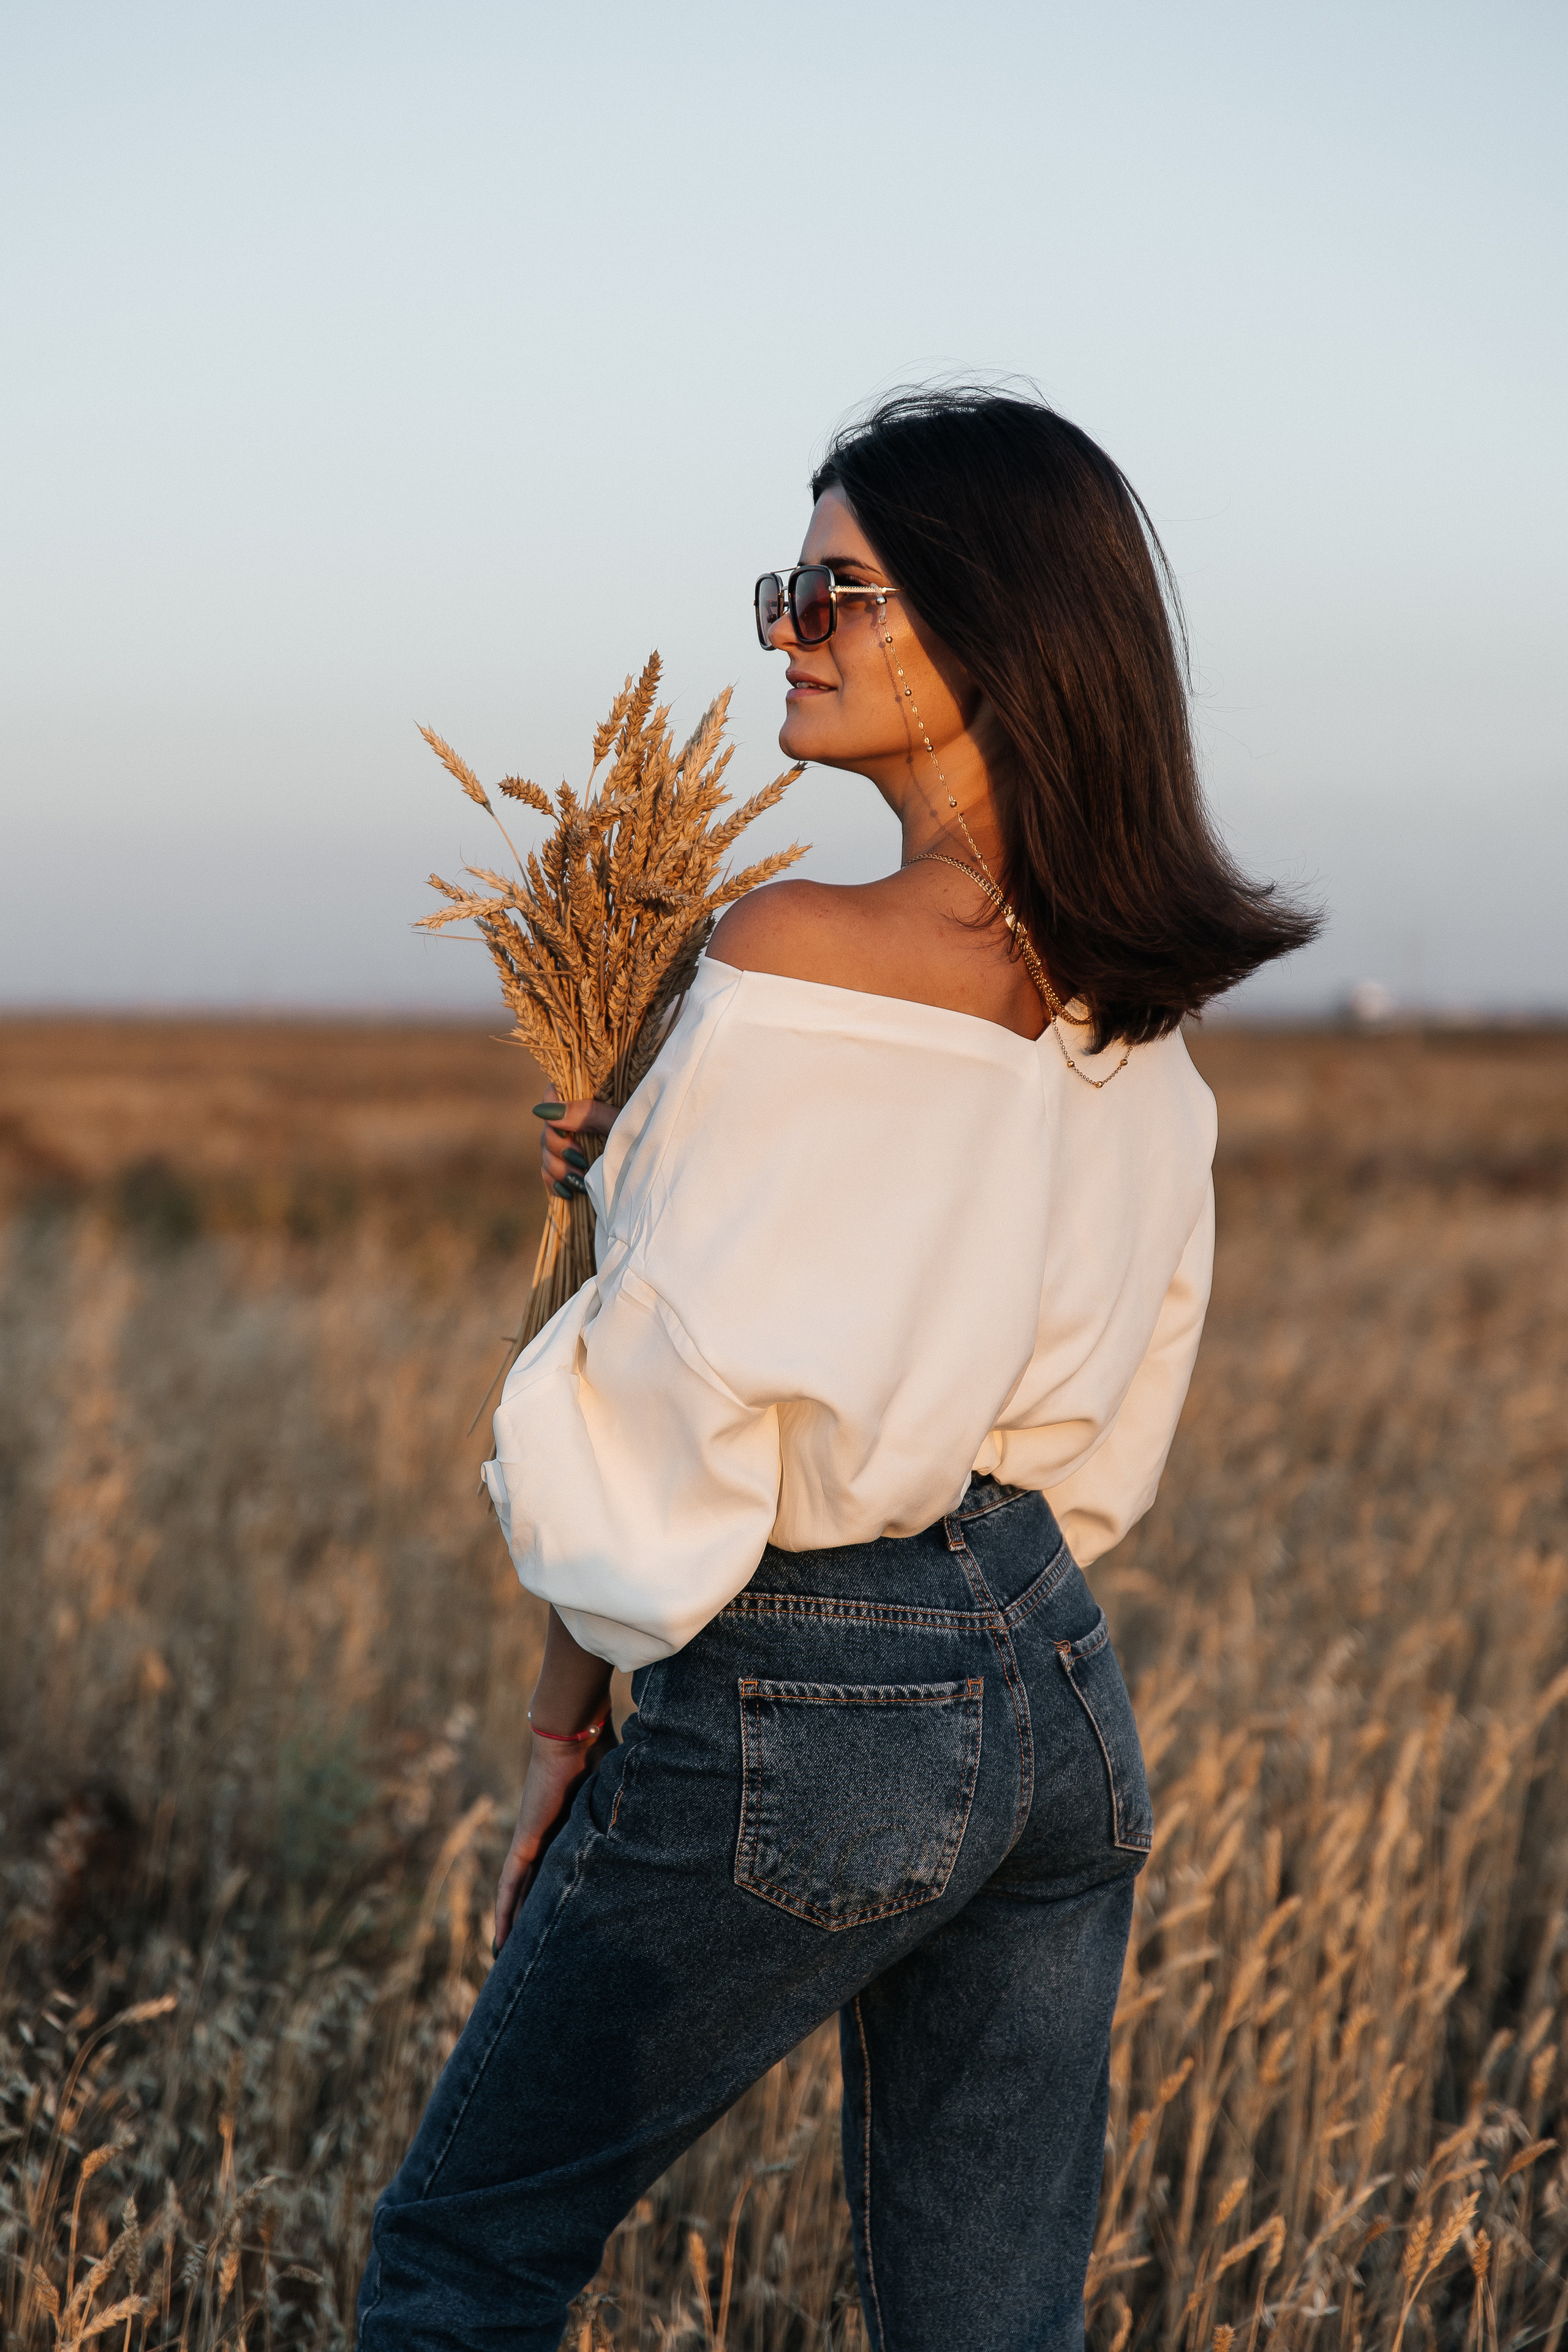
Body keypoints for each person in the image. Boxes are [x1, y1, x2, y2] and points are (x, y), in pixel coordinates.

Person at [357, 388, 1317, 2352]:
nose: (787, 628)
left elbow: (655, 1396)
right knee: (985, 2331)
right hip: (1054, 1682)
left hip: (815, 1676)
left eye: (841, 591)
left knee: (462, 2266)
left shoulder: (789, 947)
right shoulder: (1137, 1003)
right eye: (787, 589)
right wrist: (646, 1156)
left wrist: (564, 1720)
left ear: (995, 623)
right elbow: (1101, 1360)